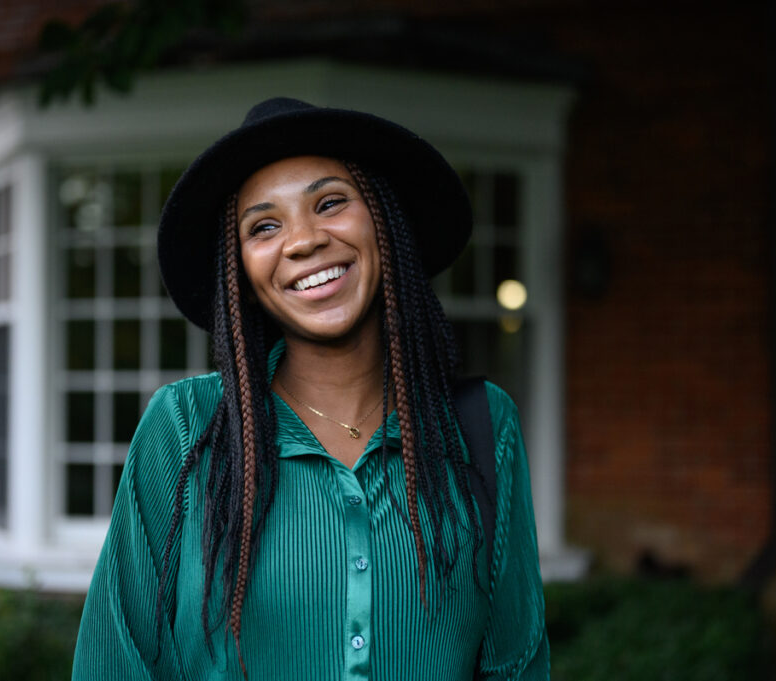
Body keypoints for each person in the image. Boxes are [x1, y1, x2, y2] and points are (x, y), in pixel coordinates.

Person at [71, 97, 549, 680]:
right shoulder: (186, 428)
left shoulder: (477, 428)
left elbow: (516, 664)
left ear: (385, 225)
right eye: (264, 226)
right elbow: (113, 663)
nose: (302, 241)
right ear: (240, 275)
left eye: (330, 203)